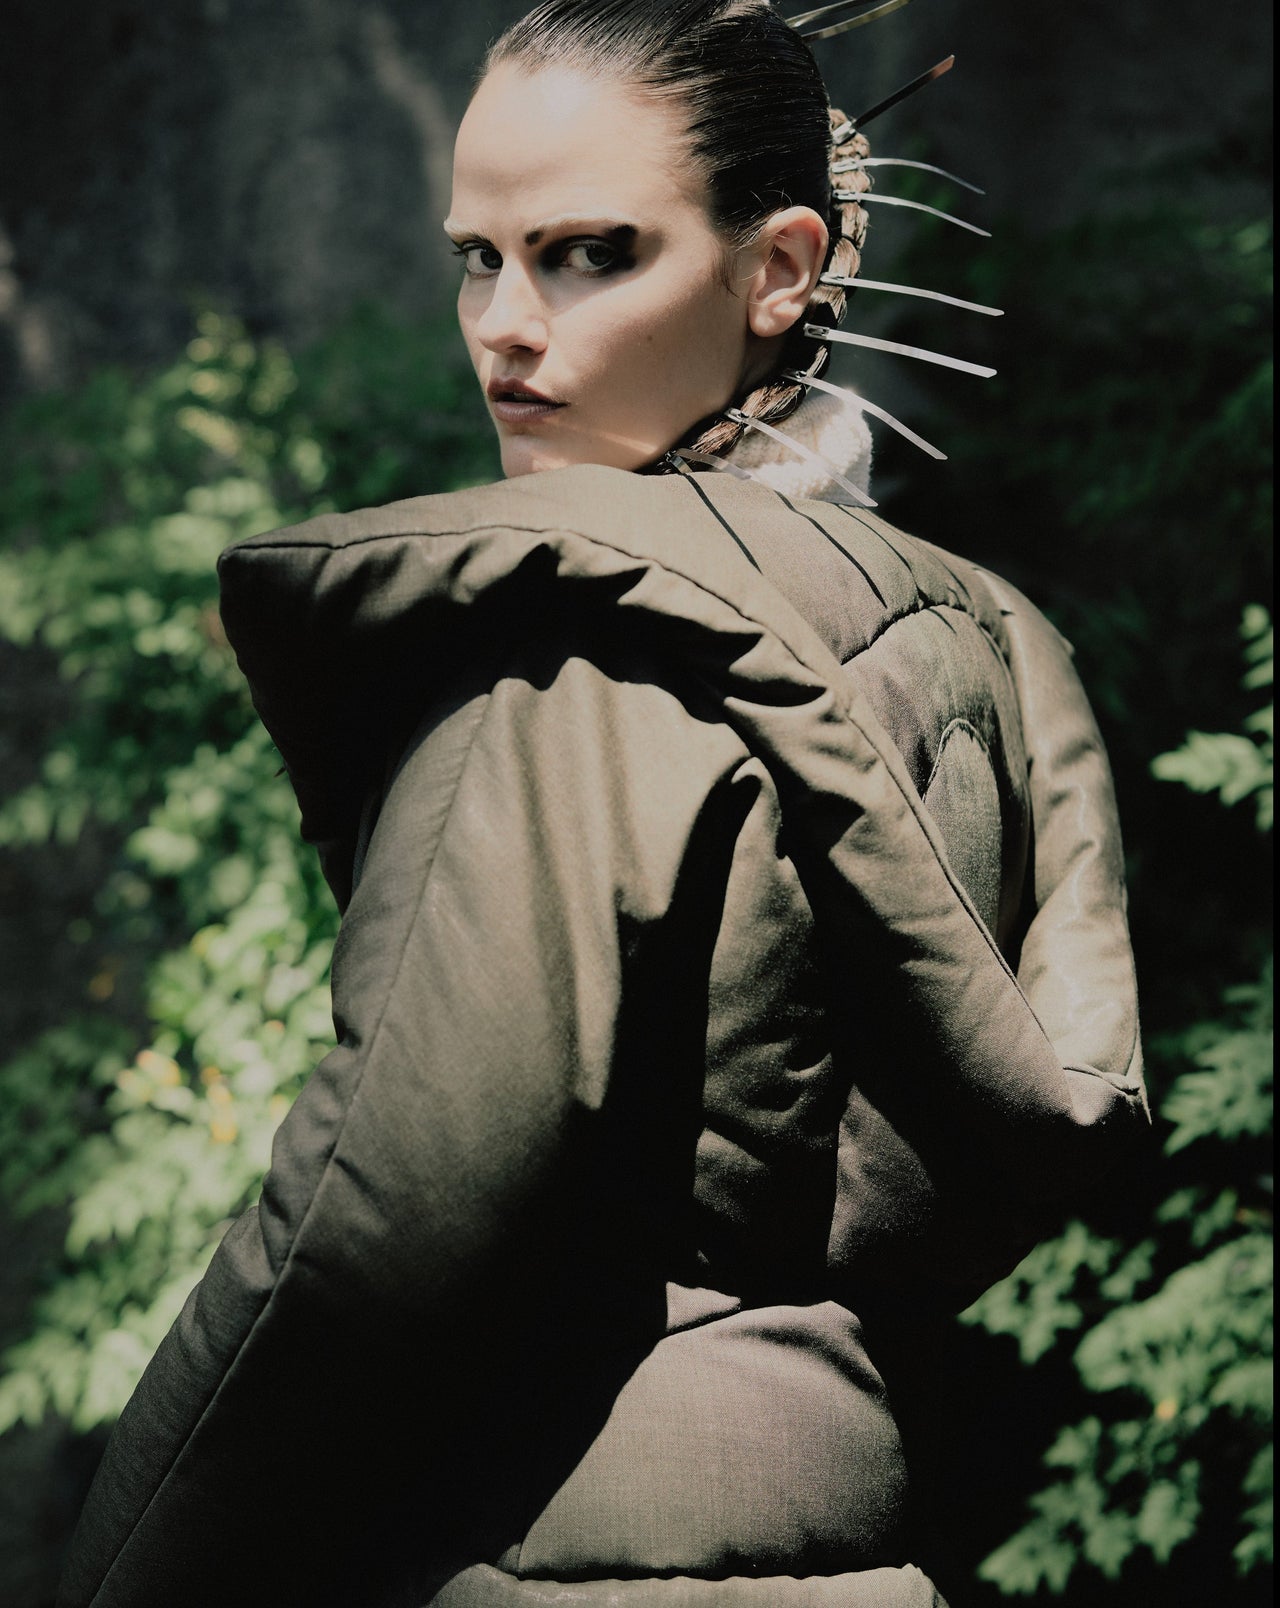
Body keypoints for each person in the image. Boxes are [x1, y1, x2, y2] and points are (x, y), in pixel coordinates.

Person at [58, 4, 1147, 1605]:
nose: (503, 325)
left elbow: (370, 1230)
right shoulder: (972, 644)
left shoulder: (574, 657)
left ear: (782, 266)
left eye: (584, 254)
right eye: (475, 258)